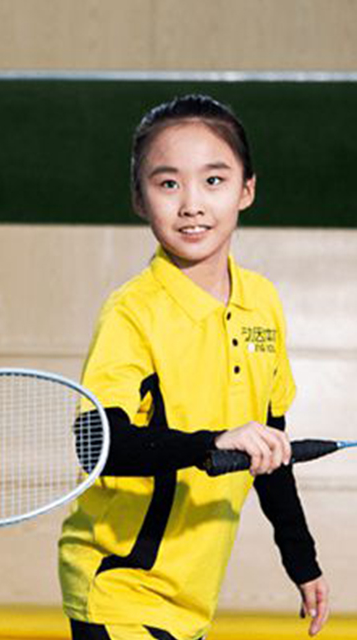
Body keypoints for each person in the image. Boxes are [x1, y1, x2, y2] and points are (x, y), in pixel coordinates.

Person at [59, 95, 329, 640]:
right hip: (120, 585)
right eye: (168, 183)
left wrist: (302, 562)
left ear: (246, 190)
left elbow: (271, 449)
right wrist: (212, 443)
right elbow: (98, 443)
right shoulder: (132, 312)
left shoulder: (262, 302)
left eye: (213, 180)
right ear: (139, 199)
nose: (191, 204)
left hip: (191, 598)